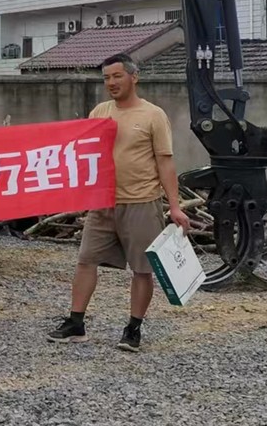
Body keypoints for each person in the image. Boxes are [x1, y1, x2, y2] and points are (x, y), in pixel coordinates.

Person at [47, 52, 190, 352]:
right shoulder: (100, 112)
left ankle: (133, 329)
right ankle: (75, 323)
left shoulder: (153, 115)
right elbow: (84, 153)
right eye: (106, 78)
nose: (111, 82)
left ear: (134, 77)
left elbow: (165, 162)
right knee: (86, 261)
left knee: (142, 269)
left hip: (141, 201)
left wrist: (175, 206)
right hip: (103, 202)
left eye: (116, 76)